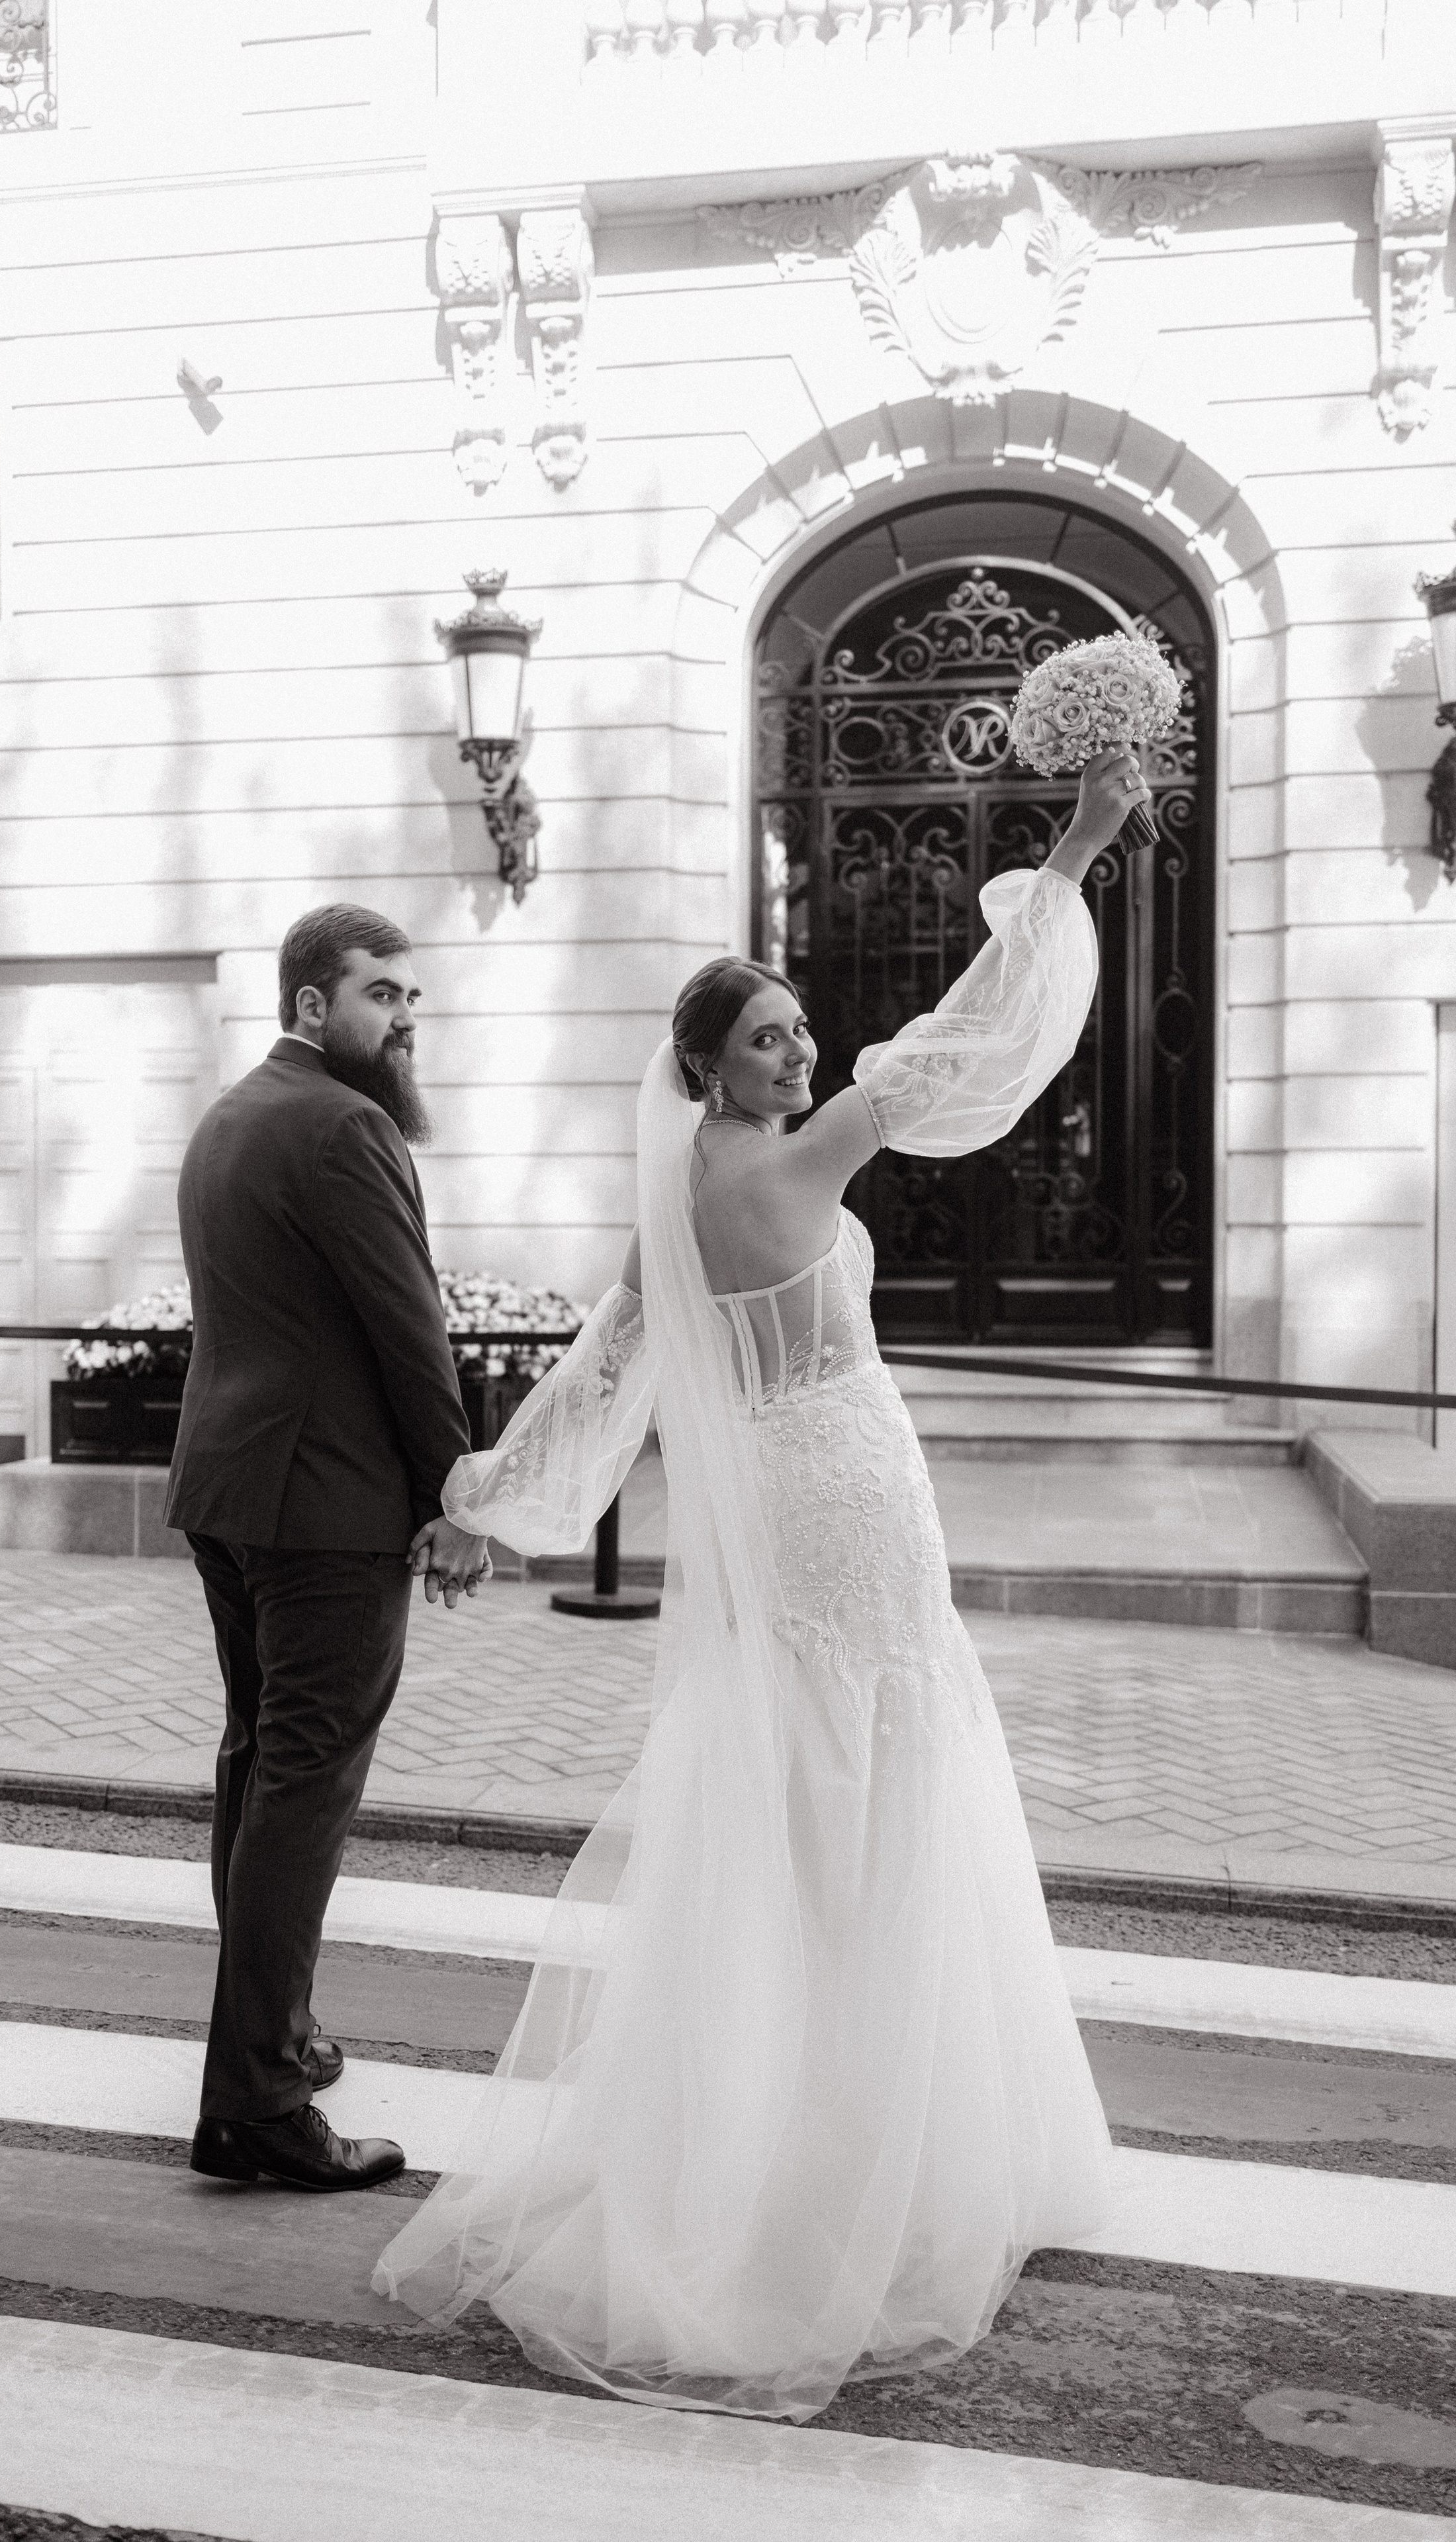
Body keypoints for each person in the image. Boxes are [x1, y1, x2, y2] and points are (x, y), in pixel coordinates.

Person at [379, 752, 1152, 2420]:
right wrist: (1075, 848)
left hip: (791, 1515)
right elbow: (969, 1034)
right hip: (852, 1497)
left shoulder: (676, 1201)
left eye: (799, 1034)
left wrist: (484, 1506)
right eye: (766, 1042)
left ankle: (771, 2119)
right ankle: (878, 2156)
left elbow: (604, 1373)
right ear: (704, 1069)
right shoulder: (804, 1163)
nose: (799, 1056)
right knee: (882, 1783)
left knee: (799, 1789)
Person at [167, 902, 490, 2195]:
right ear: (312, 1003)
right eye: (380, 995)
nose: (404, 1020)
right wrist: (457, 1495)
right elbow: (409, 1325)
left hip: (232, 1494)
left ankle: (278, 2036)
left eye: (411, 998)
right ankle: (255, 2103)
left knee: (261, 1771)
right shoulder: (348, 1126)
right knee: (301, 1790)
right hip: (325, 1510)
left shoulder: (232, 1117)